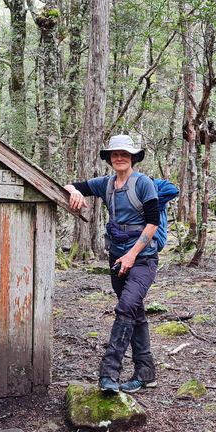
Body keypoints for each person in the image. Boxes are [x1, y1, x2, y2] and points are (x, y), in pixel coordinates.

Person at [64, 135, 160, 394]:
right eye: (115, 154)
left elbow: (152, 223)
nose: (119, 157)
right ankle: (146, 373)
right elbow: (69, 185)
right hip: (116, 258)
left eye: (125, 154)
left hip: (143, 259)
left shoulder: (144, 184)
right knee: (135, 313)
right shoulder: (105, 184)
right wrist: (74, 192)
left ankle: (109, 374)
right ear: (109, 158)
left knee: (126, 307)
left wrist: (132, 255)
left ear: (132, 158)